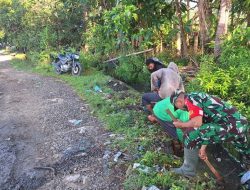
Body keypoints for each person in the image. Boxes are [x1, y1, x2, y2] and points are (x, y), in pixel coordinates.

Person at [170, 90, 250, 177]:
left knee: (189, 134)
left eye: (177, 107)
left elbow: (197, 123)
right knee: (244, 149)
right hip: (240, 125)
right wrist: (203, 148)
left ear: (178, 101)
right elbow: (207, 130)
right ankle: (248, 170)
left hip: (230, 126)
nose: (180, 109)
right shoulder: (197, 97)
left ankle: (187, 170)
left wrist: (181, 124)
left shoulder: (190, 99)